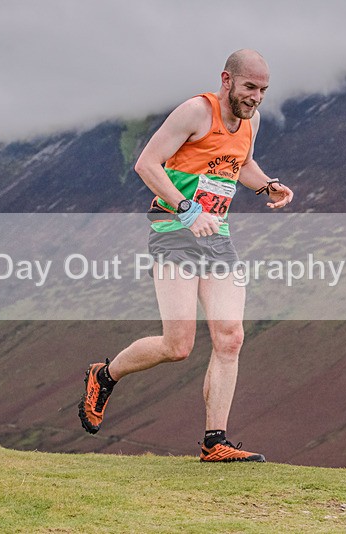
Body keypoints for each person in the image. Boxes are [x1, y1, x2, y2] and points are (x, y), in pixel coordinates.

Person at [79, 49, 293, 462]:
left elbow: (239, 163)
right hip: (174, 232)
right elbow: (147, 165)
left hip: (217, 236)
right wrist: (187, 209)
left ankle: (215, 442)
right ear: (227, 80)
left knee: (230, 337)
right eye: (250, 87)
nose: (256, 98)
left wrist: (267, 186)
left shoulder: (252, 121)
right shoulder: (196, 112)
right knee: (178, 346)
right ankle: (104, 375)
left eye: (264, 90)